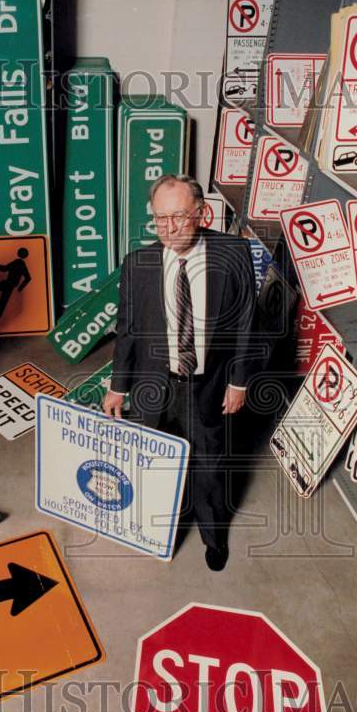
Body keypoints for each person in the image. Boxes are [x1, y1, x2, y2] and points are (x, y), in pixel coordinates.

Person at [103, 174, 255, 571]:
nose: (169, 229)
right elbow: (129, 330)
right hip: (156, 385)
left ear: (202, 213)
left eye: (180, 218)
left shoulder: (235, 253)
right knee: (155, 465)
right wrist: (118, 388)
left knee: (210, 467)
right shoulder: (138, 264)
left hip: (209, 387)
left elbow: (245, 324)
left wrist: (238, 381)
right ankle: (158, 531)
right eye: (160, 219)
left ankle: (213, 537)